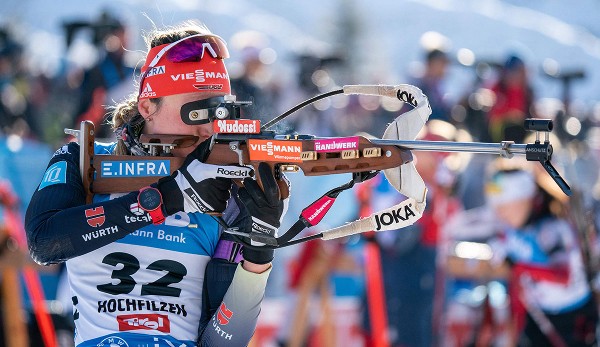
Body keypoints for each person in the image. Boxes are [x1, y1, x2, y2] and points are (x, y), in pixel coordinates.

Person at [25, 21, 289, 347]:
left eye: (219, 112)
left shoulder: (226, 188)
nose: (209, 128)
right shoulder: (86, 160)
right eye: (196, 113)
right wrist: (166, 199)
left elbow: (224, 342)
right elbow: (43, 242)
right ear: (147, 106)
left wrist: (259, 256)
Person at [485, 163, 597, 346]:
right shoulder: (513, 231)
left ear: (527, 200)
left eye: (506, 206)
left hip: (570, 318)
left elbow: (563, 276)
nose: (501, 213)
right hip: (538, 314)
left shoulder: (552, 229)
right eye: (497, 207)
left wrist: (519, 267)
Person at [486, 54, 536, 143]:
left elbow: (532, 114)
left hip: (522, 133)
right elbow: (492, 115)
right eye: (516, 71)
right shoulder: (498, 88)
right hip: (501, 135)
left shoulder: (526, 91)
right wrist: (510, 115)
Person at [411, 49, 452, 123]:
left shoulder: (437, 87)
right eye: (441, 64)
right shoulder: (420, 88)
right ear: (430, 64)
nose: (445, 69)